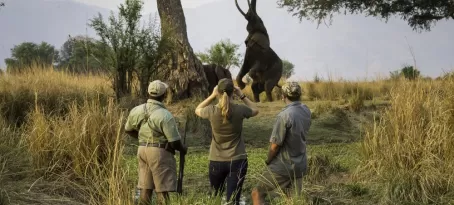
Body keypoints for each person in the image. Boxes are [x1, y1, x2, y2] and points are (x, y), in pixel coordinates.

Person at [195, 78, 259, 205]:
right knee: (233, 200)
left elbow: (197, 109)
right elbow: (255, 109)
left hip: (216, 160)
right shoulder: (240, 110)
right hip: (237, 160)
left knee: (216, 197)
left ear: (218, 91)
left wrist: (212, 95)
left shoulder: (211, 110)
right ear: (232, 92)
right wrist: (241, 95)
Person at [124, 80, 188, 205]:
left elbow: (128, 130)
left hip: (142, 150)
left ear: (148, 92)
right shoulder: (165, 115)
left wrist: (143, 138)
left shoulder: (136, 110)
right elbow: (174, 142)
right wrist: (183, 148)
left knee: (145, 189)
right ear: (164, 95)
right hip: (159, 152)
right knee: (162, 190)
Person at [251, 82, 311, 205]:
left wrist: (268, 160)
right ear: (299, 95)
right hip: (300, 165)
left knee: (257, 193)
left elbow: (275, 146)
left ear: (283, 96)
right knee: (291, 200)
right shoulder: (306, 110)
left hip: (283, 166)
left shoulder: (284, 116)